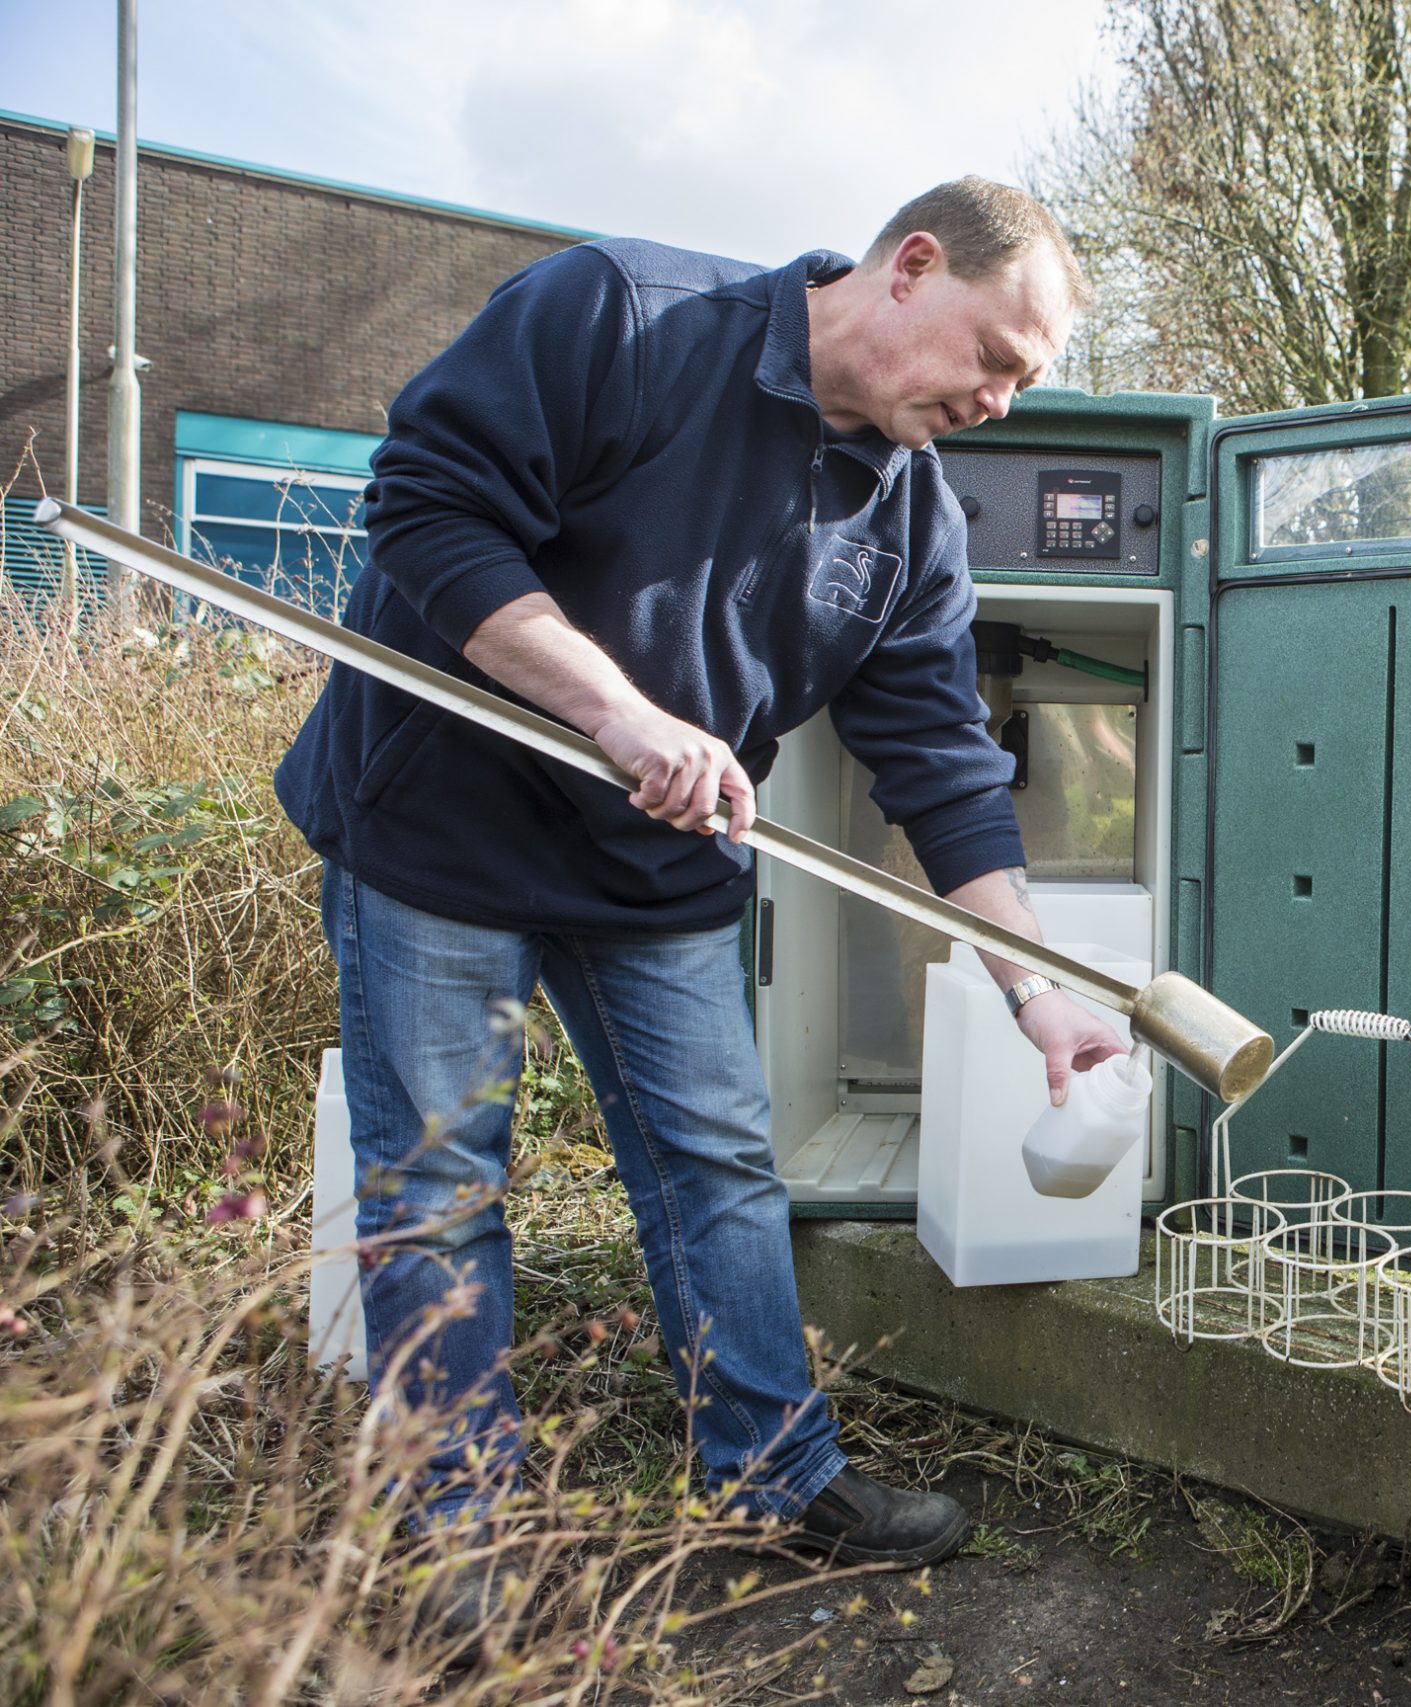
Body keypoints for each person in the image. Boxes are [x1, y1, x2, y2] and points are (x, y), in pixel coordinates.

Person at [275, 179, 1126, 1608]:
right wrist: (617, 710)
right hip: (439, 828)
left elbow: (938, 758)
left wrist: (1034, 987)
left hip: (656, 863)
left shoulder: (912, 519)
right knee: (437, 1184)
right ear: (912, 267)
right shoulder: (622, 314)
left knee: (720, 1164)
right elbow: (428, 511)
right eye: (995, 358)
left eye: (1023, 384)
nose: (999, 402)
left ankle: (774, 1476)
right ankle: (458, 1534)